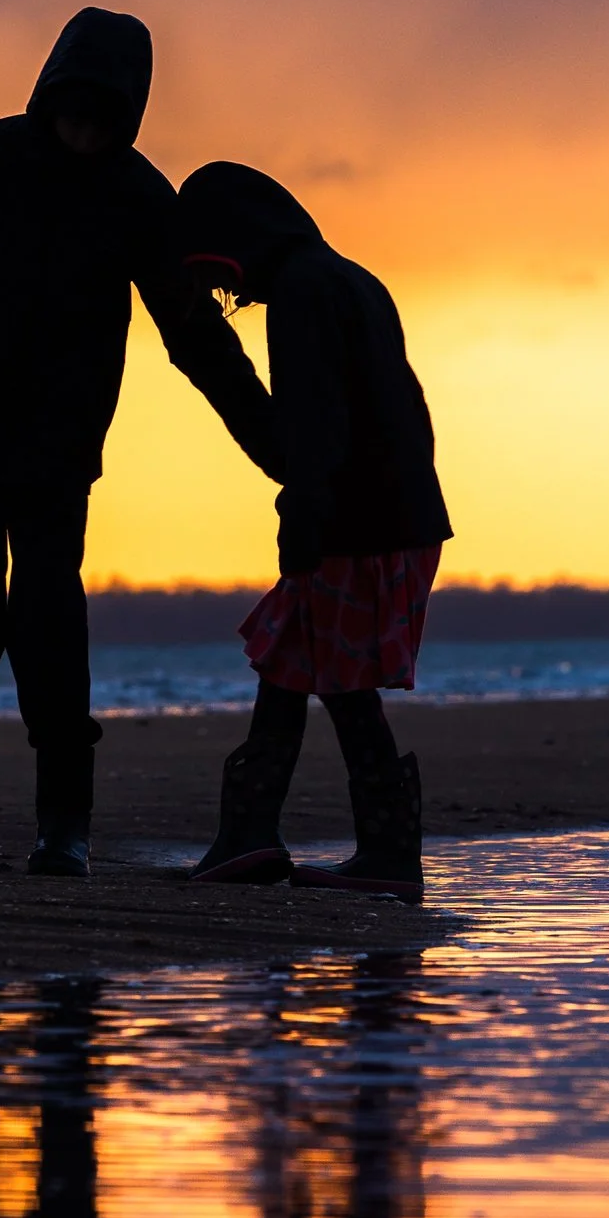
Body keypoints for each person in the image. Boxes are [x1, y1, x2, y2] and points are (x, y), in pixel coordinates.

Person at [0, 8, 278, 877]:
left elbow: (193, 333)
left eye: (102, 119)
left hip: (57, 455)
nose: (83, 131)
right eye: (73, 111)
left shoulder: (139, 197)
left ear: (127, 118)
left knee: (49, 631)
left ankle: (63, 826)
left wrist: (270, 439)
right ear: (48, 96)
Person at [175, 162, 450, 902]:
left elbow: (314, 423)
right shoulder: (346, 279)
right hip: (390, 515)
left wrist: (304, 518)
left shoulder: (300, 294)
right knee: (292, 661)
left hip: (358, 522)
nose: (224, 295)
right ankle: (253, 838)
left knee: (338, 677)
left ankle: (383, 853)